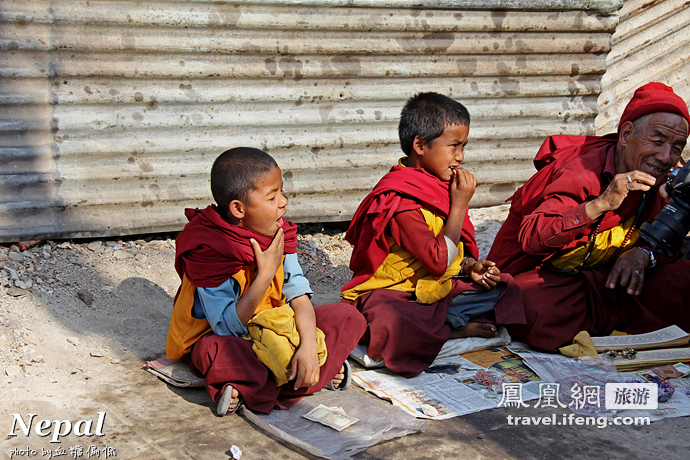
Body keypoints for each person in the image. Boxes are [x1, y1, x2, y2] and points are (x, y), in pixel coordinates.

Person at [487, 82, 690, 352]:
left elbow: (669, 240)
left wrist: (644, 253)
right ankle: (626, 328)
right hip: (561, 278)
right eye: (657, 141)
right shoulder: (582, 172)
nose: (666, 157)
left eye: (677, 147)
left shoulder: (667, 178)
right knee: (530, 304)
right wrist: (600, 204)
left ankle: (613, 328)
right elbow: (532, 238)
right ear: (626, 134)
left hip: (617, 279)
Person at [165, 147, 367, 415]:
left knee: (348, 316)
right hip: (236, 339)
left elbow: (299, 297)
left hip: (278, 332)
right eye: (272, 197)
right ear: (238, 209)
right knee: (211, 351)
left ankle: (254, 388)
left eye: (282, 192)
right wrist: (264, 276)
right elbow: (226, 328)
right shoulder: (209, 247)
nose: (284, 202)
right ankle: (309, 377)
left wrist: (307, 347)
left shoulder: (278, 234)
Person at [340, 92, 526, 377]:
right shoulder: (400, 199)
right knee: (389, 321)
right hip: (398, 293)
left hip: (438, 288)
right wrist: (461, 205)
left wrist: (470, 267)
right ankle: (451, 331)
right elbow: (438, 260)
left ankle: (442, 323)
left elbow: (450, 258)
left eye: (464, 147)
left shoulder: (437, 185)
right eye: (453, 146)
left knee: (507, 288)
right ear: (420, 145)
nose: (460, 157)